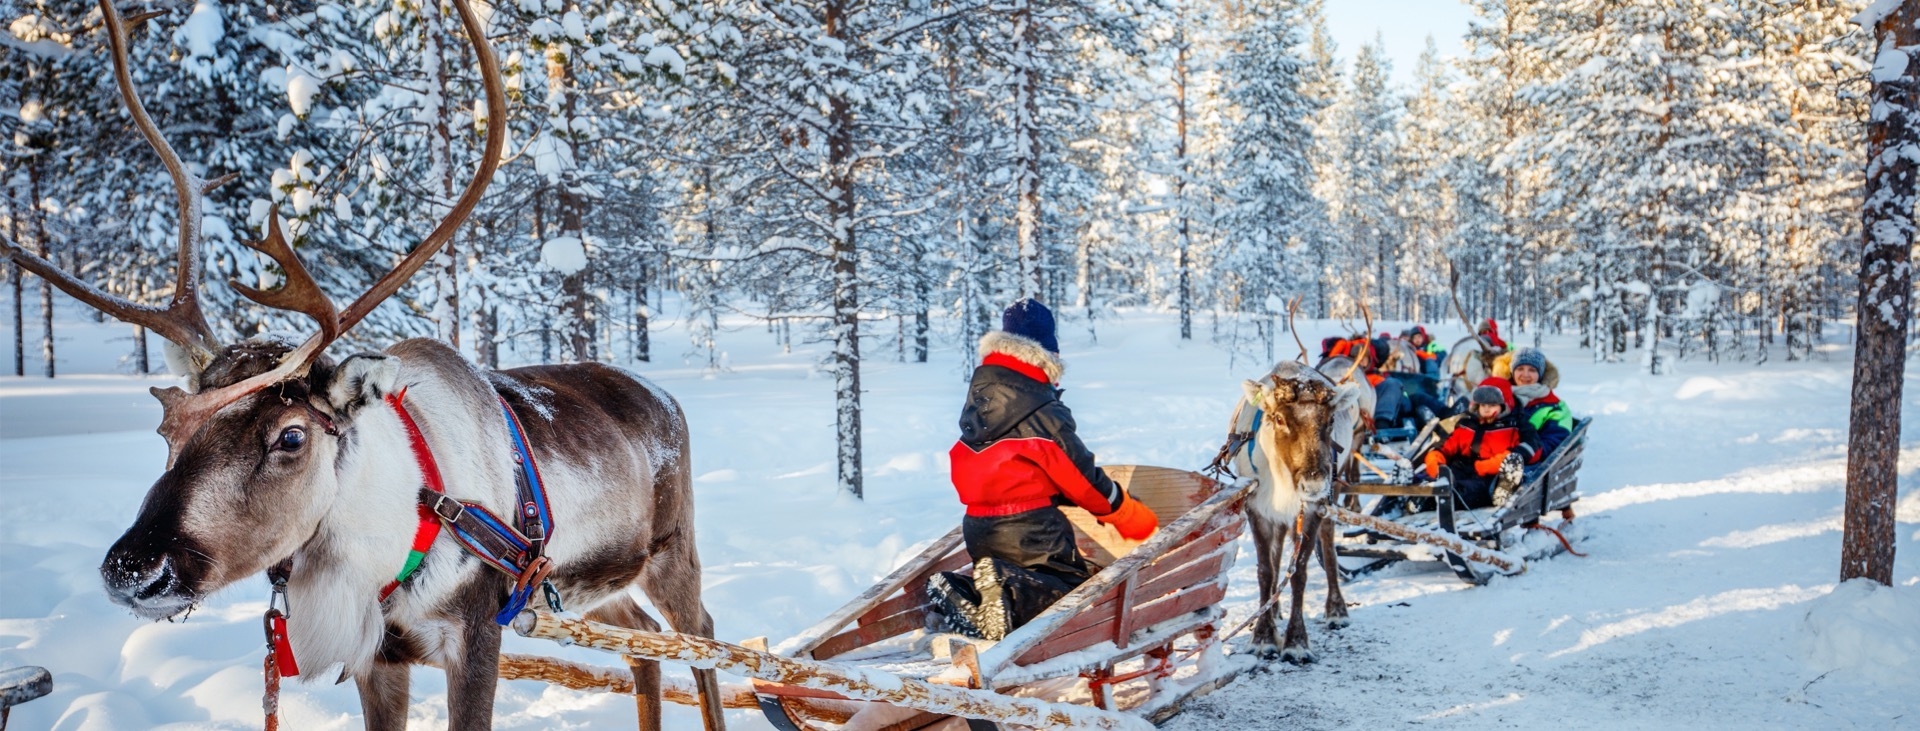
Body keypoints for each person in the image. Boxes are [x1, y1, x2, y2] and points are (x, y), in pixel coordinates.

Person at [926, 298, 1158, 640]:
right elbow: (1082, 478)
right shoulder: (1040, 407)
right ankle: (1003, 586)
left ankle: (962, 586)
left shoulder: (982, 398)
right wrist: (1123, 513)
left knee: (1015, 590)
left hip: (978, 527)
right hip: (1031, 531)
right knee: (1070, 592)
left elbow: (1007, 467)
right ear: (1047, 353)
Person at [1422, 382, 1539, 509]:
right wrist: (1436, 463)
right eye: (1483, 405)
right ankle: (1421, 495)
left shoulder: (1512, 426)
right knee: (1441, 481)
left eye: (1492, 405)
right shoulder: (1467, 423)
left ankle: (1501, 490)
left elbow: (1529, 448)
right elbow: (1447, 445)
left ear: (1502, 406)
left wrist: (1494, 464)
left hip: (1488, 474)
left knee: (1467, 492)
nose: (1487, 409)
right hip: (1462, 468)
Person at [1509, 347, 1573, 461]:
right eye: (1520, 368)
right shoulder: (1500, 397)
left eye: (1532, 370)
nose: (1525, 374)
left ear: (1541, 374)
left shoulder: (1555, 407)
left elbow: (1554, 441)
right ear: (1512, 372)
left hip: (1529, 461)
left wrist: (1525, 453)